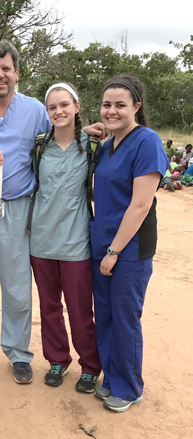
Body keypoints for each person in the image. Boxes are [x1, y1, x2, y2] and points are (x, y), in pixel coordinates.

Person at [0, 40, 105, 384]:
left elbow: (60, 135)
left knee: (17, 286)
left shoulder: (35, 109)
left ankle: (18, 353)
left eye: (6, 68)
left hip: (20, 207)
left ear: (16, 73)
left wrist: (87, 130)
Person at [90, 76, 168, 412]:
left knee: (124, 317)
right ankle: (111, 378)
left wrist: (114, 251)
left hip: (129, 249)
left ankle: (129, 386)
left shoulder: (147, 142)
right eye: (107, 104)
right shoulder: (107, 145)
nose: (112, 111)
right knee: (104, 316)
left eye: (120, 104)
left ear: (136, 106)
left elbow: (140, 205)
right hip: (102, 242)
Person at [30, 83, 101, 392]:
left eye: (64, 105)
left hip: (76, 242)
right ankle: (57, 360)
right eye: (52, 107)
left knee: (80, 308)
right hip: (42, 240)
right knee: (49, 307)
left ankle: (90, 365)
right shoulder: (39, 146)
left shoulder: (94, 146)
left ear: (77, 106)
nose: (58, 111)